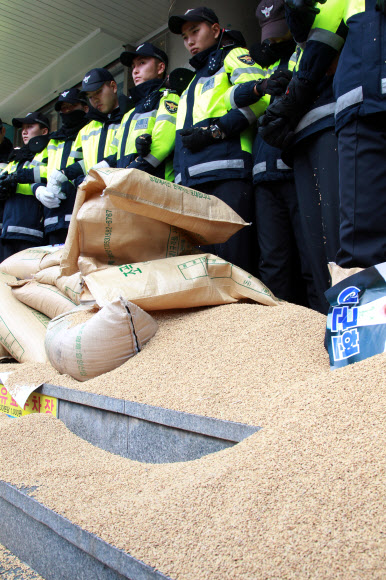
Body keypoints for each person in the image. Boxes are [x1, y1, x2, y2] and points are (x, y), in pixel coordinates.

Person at [258, 0, 347, 312]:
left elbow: (328, 47)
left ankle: (359, 328)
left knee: (339, 239)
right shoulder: (292, 54)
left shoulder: (328, 14)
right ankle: (335, 324)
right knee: (317, 248)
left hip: (333, 126)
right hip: (302, 141)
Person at [168, 7, 269, 273]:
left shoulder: (232, 55)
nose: (189, 40)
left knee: (236, 265)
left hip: (228, 175)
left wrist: (219, 130)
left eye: (195, 31)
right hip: (192, 186)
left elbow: (263, 93)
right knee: (205, 270)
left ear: (215, 30)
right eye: (184, 36)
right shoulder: (191, 83)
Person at [231, 0, 316, 305]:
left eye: (279, 33)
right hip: (263, 177)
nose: (273, 41)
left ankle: (318, 325)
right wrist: (261, 85)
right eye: (269, 35)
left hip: (298, 168)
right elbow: (235, 97)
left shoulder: (303, 52)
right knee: (274, 264)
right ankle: (280, 337)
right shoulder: (260, 66)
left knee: (311, 257)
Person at [334, 0, 386, 268]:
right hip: (361, 109)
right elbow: (316, 39)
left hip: (361, 108)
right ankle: (367, 307)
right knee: (362, 237)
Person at [18, 89, 89, 245]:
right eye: (63, 108)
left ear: (85, 108)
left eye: (71, 106)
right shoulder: (52, 141)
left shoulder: (90, 132)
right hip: (53, 218)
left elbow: (92, 163)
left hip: (83, 214)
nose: (67, 111)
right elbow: (35, 171)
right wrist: (38, 189)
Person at [100, 42, 179, 181]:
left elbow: (162, 144)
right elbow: (115, 154)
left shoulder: (168, 98)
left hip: (156, 187)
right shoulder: (130, 113)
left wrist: (130, 174)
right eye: (133, 66)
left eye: (142, 63)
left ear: (160, 67)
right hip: (129, 187)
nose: (135, 71)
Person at [46, 68, 131, 195]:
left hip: (127, 192)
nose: (95, 100)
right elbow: (81, 164)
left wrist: (107, 166)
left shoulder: (131, 116)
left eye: (98, 92)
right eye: (90, 97)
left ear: (113, 87)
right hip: (96, 199)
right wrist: (71, 176)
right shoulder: (85, 131)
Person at [0, 112, 50, 259]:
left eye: (30, 126)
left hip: (32, 231)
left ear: (44, 131)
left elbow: (51, 173)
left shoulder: (48, 151)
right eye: (23, 128)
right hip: (8, 230)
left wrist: (20, 179)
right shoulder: (15, 157)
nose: (24, 131)